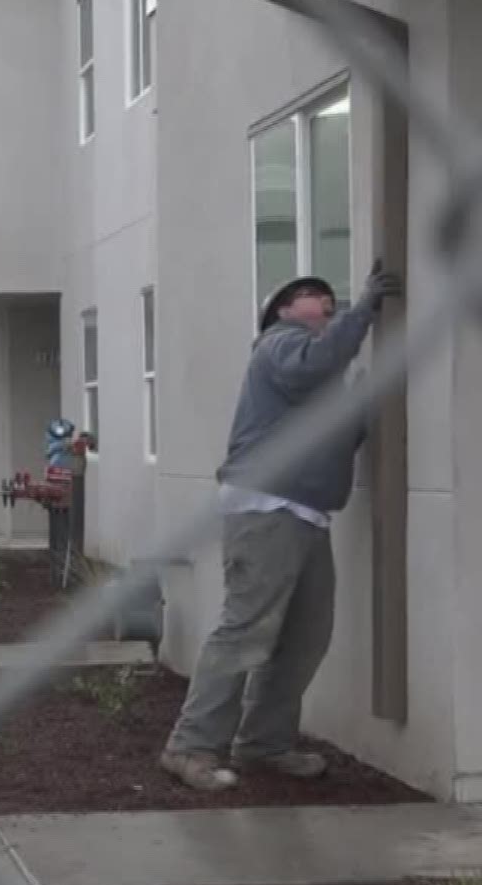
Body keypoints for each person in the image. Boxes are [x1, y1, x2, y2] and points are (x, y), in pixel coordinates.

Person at [159, 261, 402, 792]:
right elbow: (309, 365)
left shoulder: (323, 376)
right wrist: (363, 311)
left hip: (308, 515)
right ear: (283, 311)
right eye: (315, 297)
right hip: (266, 506)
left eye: (330, 299)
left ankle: (264, 742)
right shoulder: (278, 346)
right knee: (245, 630)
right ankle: (191, 746)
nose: (327, 303)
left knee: (304, 637)